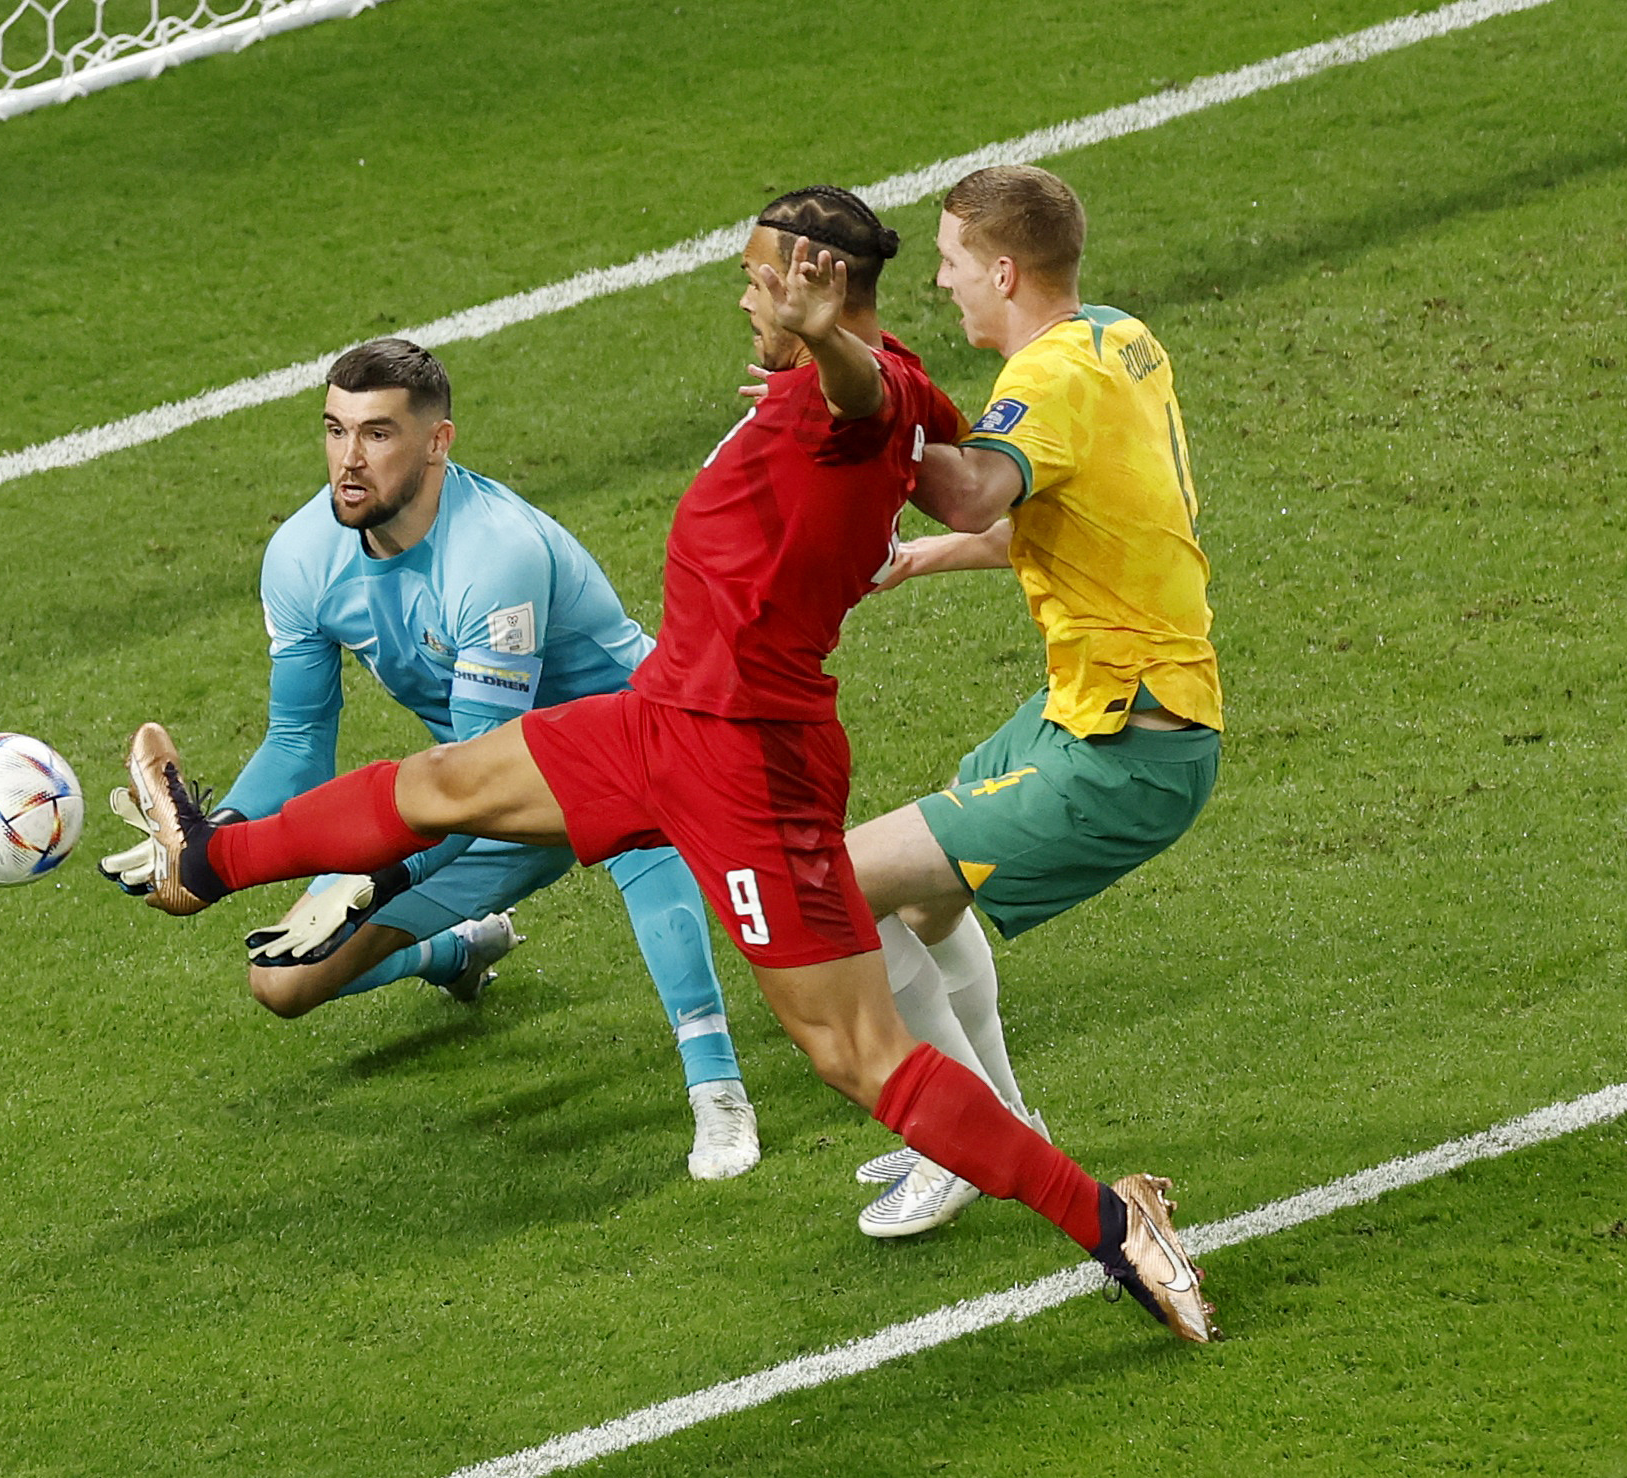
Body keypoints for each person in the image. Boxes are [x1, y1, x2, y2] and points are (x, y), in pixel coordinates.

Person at [104, 187, 1216, 1341]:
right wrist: (823, 366)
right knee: (444, 781)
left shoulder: (864, 386)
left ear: (814, 283)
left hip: (748, 760)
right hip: (666, 714)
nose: (743, 295)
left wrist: (830, 349)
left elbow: (871, 400)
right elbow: (917, 442)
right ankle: (210, 856)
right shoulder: (861, 388)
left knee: (854, 1051)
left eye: (758, 278)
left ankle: (1110, 1220)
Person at [102, 338, 761, 1182]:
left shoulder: (495, 556)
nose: (349, 461)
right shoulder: (303, 558)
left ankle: (719, 1090)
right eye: (335, 431)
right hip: (482, 783)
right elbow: (300, 744)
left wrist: (376, 876)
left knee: (642, 835)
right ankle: (459, 950)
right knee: (281, 983)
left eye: (377, 435)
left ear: (438, 442)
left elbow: (479, 787)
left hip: (650, 746)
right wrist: (209, 834)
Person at [839, 164, 1223, 1241]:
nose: (944, 287)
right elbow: (1070, 522)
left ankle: (956, 1141)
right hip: (1099, 708)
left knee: (833, 887)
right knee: (924, 902)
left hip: (1121, 751)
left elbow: (974, 484)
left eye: (953, 266)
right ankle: (1000, 1119)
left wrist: (876, 404)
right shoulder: (1117, 338)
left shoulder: (1044, 379)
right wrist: (922, 559)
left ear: (1003, 270)